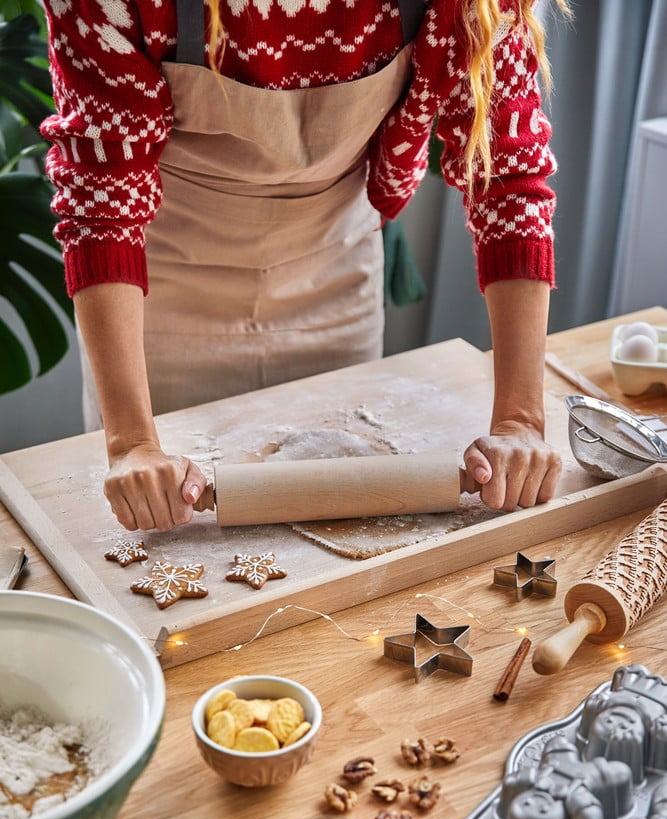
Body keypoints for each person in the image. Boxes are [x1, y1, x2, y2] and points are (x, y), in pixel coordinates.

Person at [41, 0, 569, 533]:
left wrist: (520, 421)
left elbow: (507, 177)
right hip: (159, 291)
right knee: (166, 534)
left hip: (334, 267)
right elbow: (101, 207)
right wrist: (133, 443)